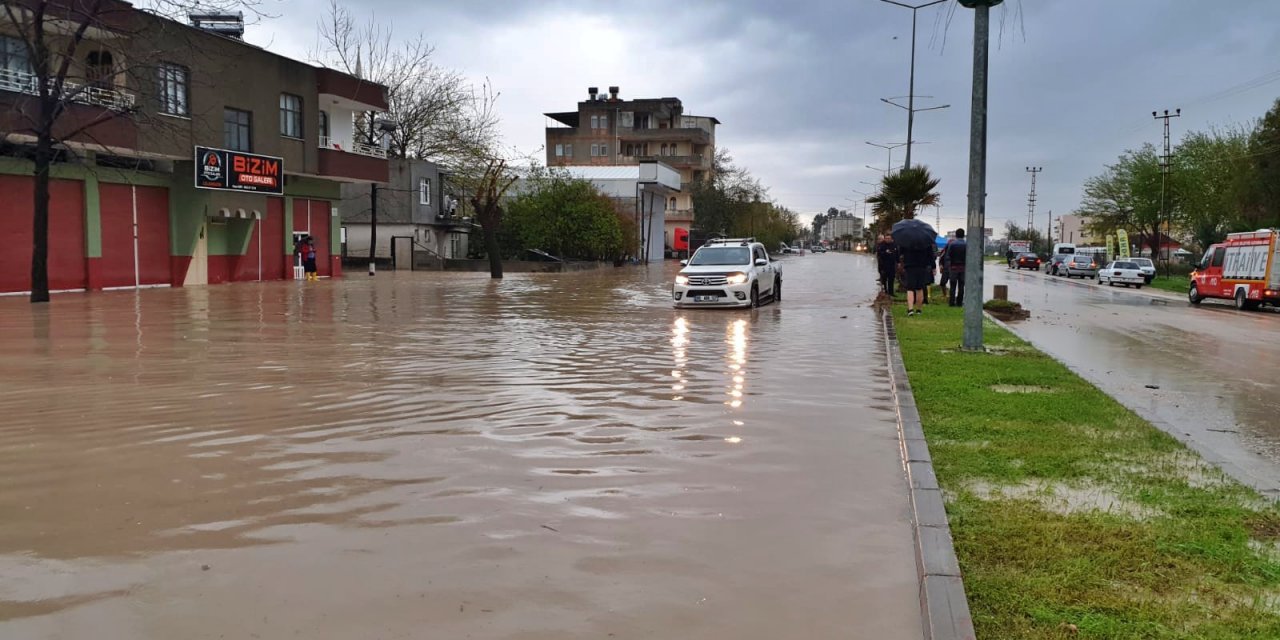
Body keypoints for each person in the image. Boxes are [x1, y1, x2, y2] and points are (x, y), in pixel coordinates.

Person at [901, 240, 934, 316]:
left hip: (910, 266)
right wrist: (932, 266)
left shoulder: (907, 240)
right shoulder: (926, 241)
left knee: (910, 288)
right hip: (922, 266)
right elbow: (931, 256)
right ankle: (919, 310)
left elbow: (901, 253)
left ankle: (910, 309)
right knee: (919, 288)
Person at [943, 228, 968, 306]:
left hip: (953, 267)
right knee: (961, 286)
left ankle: (951, 302)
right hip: (963, 268)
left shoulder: (952, 244)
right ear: (963, 235)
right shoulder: (967, 245)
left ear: (956, 235)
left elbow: (948, 256)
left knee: (953, 286)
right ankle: (959, 302)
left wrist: (948, 266)